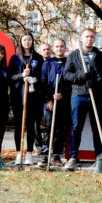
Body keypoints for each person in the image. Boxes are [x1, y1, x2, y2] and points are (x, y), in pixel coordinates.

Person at [63, 28, 102, 170]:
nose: (89, 39)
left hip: (96, 96)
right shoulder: (74, 55)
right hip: (79, 95)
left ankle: (99, 157)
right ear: (81, 38)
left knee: (97, 128)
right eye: (87, 37)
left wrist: (97, 81)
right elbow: (66, 74)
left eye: (91, 37)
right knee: (76, 127)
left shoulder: (100, 55)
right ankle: (73, 156)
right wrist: (80, 78)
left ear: (94, 39)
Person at [8, 32, 44, 165]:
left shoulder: (38, 58)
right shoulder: (15, 58)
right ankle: (19, 153)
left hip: (33, 98)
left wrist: (35, 79)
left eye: (29, 39)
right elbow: (10, 77)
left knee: (31, 126)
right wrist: (21, 76)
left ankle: (29, 153)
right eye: (24, 40)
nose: (27, 42)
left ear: (32, 41)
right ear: (21, 42)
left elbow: (43, 77)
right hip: (18, 97)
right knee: (19, 126)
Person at [39, 38, 71, 167]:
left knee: (60, 129)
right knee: (48, 127)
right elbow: (43, 82)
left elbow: (70, 82)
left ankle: (57, 154)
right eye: (57, 47)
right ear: (53, 48)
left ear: (65, 48)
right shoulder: (47, 63)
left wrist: (62, 94)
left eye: (61, 46)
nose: (59, 49)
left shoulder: (69, 62)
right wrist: (48, 99)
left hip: (63, 101)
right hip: (49, 102)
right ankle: (46, 154)